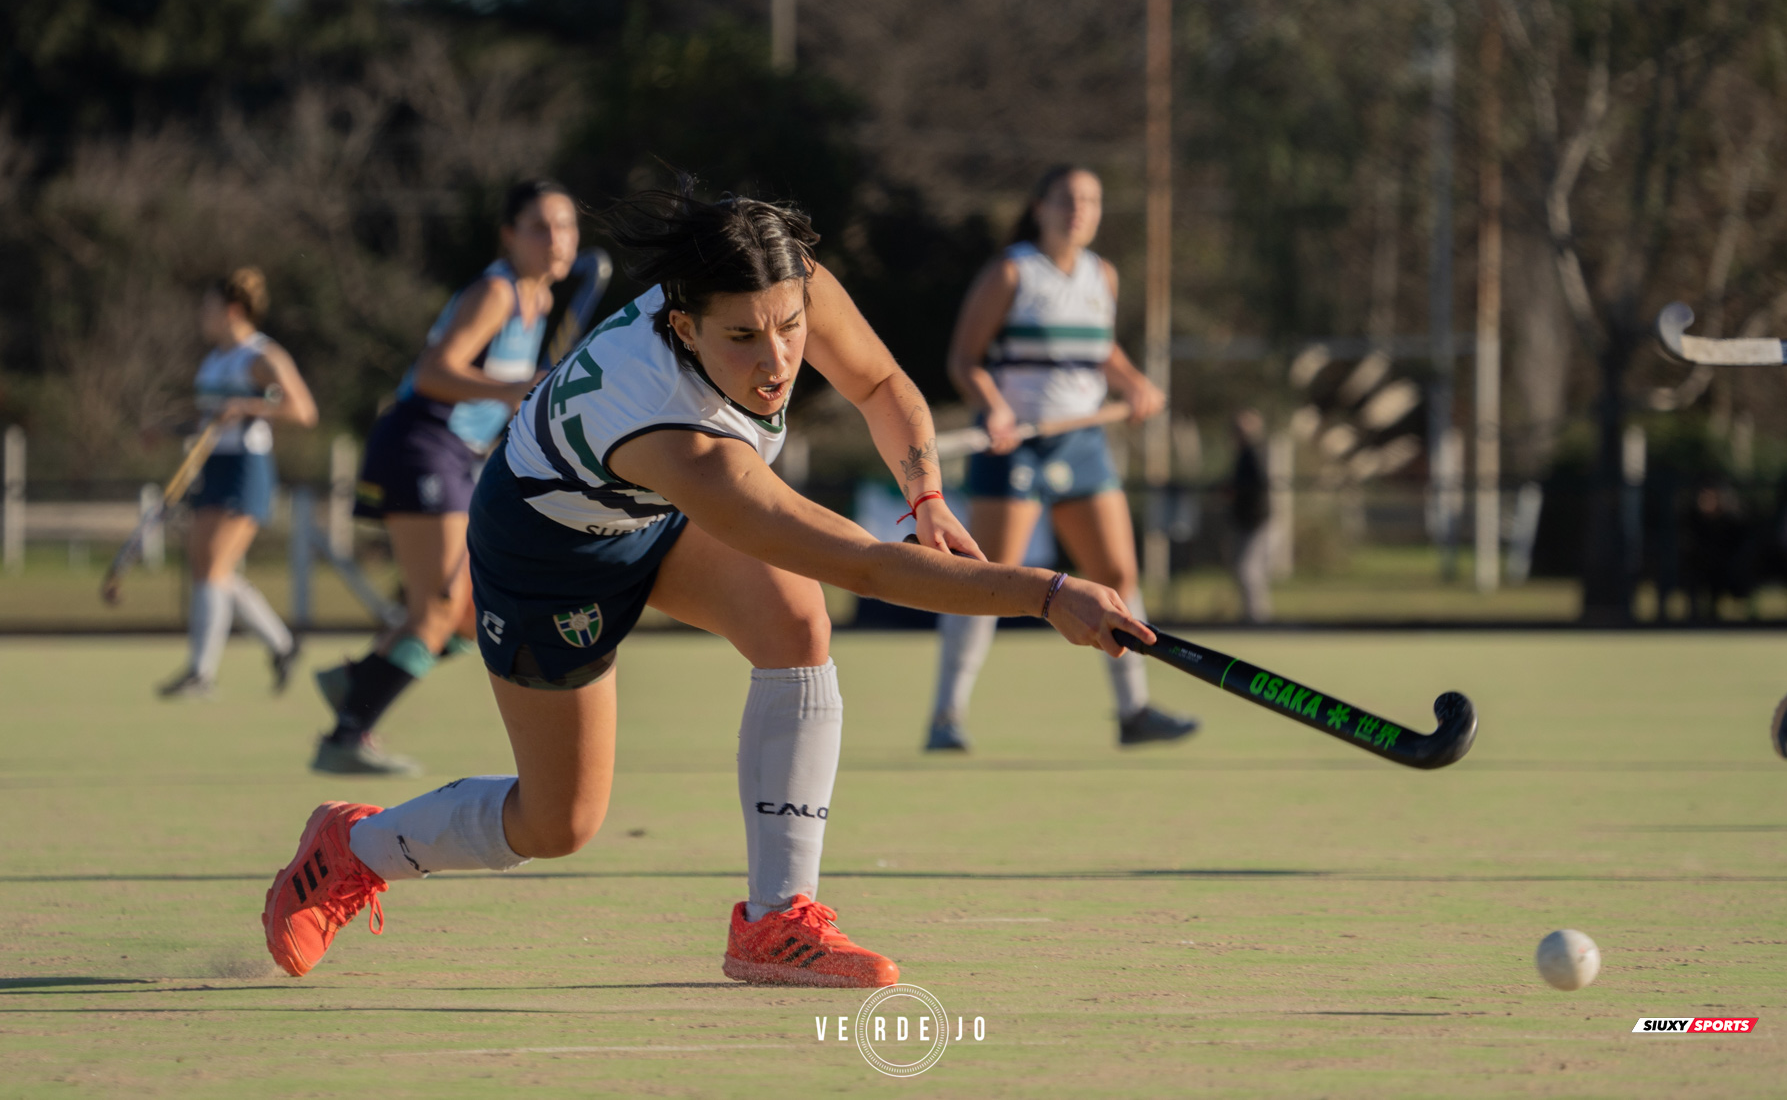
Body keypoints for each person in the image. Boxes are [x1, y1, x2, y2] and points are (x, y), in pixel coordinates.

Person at [259, 187, 1153, 988]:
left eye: (790, 326)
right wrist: (1044, 593)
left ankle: (775, 922)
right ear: (684, 327)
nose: (777, 361)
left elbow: (880, 381)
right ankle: (353, 846)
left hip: (647, 514)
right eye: (742, 337)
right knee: (558, 821)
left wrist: (926, 494)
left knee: (795, 625)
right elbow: (860, 565)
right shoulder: (670, 429)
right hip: (546, 553)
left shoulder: (779, 280)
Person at [924, 165, 1196, 752]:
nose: (1080, 210)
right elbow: (964, 360)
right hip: (1014, 442)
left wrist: (1134, 383)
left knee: (1118, 574)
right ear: (1040, 206)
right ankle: (946, 716)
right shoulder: (1012, 270)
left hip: (1082, 443)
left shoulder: (1103, 275)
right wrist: (994, 409)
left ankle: (1135, 710)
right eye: (1068, 199)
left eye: (1091, 200)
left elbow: (1098, 349)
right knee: (990, 580)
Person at [311, 180, 578, 776]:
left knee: (462, 616)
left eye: (565, 226)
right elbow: (435, 373)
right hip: (421, 443)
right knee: (440, 605)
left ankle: (360, 681)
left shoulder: (536, 303)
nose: (556, 238)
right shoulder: (497, 292)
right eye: (539, 226)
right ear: (509, 235)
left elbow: (495, 397)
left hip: (456, 455)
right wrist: (515, 388)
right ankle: (347, 732)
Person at [158, 268, 317, 697]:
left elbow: (303, 410)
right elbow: (209, 418)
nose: (201, 315)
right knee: (209, 567)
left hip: (247, 467)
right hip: (213, 464)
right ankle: (283, 644)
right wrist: (168, 428)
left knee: (213, 565)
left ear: (231, 310)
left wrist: (247, 406)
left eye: (207, 307)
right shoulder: (213, 360)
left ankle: (201, 673)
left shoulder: (261, 356)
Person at [1229, 409, 1274, 623]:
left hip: (1256, 520)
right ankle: (1252, 614)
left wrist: (1233, 489)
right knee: (1245, 569)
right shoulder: (1244, 454)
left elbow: (1256, 485)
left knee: (1248, 569)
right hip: (1245, 520)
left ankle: (1257, 617)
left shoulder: (1255, 453)